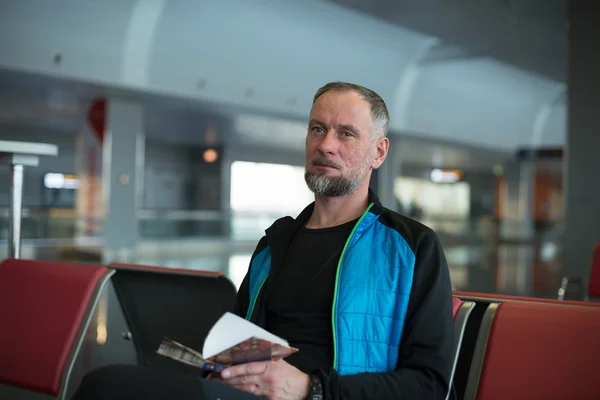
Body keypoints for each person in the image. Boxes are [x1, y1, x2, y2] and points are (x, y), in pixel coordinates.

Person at [72, 82, 454, 400]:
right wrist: (219, 367)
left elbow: (430, 385)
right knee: (107, 381)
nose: (326, 145)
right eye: (317, 129)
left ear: (379, 152)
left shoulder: (412, 247)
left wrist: (312, 388)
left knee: (108, 386)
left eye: (346, 133)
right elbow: (240, 342)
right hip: (247, 394)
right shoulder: (275, 243)